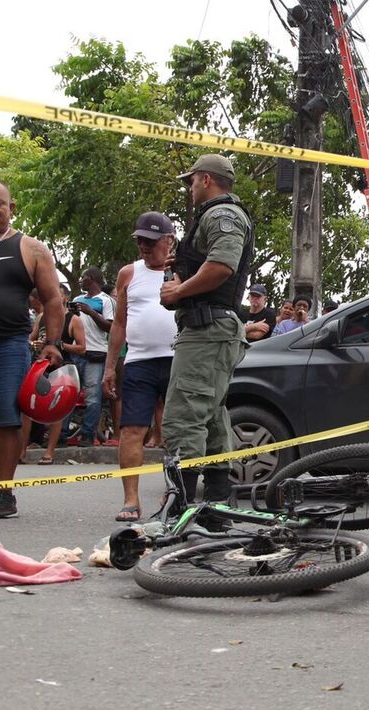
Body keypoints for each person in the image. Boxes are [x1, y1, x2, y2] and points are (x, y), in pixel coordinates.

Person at [160, 154, 253, 505]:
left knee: (184, 415)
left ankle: (179, 508)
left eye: (192, 181)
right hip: (211, 328)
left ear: (206, 180)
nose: (190, 188)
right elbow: (209, 264)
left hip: (208, 329)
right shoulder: (214, 216)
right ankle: (215, 507)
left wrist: (180, 290)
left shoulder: (222, 214)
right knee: (212, 417)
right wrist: (182, 268)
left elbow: (222, 266)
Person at [0, 179, 64, 519]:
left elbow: (53, 300)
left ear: (11, 208)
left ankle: (4, 493)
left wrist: (52, 343)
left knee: (5, 419)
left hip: (7, 346)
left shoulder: (30, 248)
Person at [103, 212, 178, 522]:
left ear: (169, 241)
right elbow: (119, 323)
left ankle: (174, 495)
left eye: (151, 241)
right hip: (138, 363)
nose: (144, 247)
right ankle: (131, 500)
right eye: (140, 241)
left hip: (178, 360)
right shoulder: (128, 274)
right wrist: (110, 366)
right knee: (132, 429)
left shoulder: (183, 271)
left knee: (176, 433)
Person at [18, 288, 86, 465]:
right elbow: (31, 338)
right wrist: (35, 344)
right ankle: (21, 451)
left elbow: (82, 347)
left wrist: (60, 345)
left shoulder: (73, 320)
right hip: (39, 367)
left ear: (65, 297)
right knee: (27, 408)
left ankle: (49, 452)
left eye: (60, 293)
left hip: (61, 370)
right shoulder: (41, 317)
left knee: (56, 410)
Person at [71, 266, 115, 446]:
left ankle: (88, 434)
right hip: (75, 351)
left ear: (92, 279)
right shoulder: (77, 299)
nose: (80, 280)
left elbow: (110, 327)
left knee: (93, 396)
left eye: (83, 277)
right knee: (70, 394)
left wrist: (90, 312)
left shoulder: (106, 301)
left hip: (96, 353)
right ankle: (63, 434)